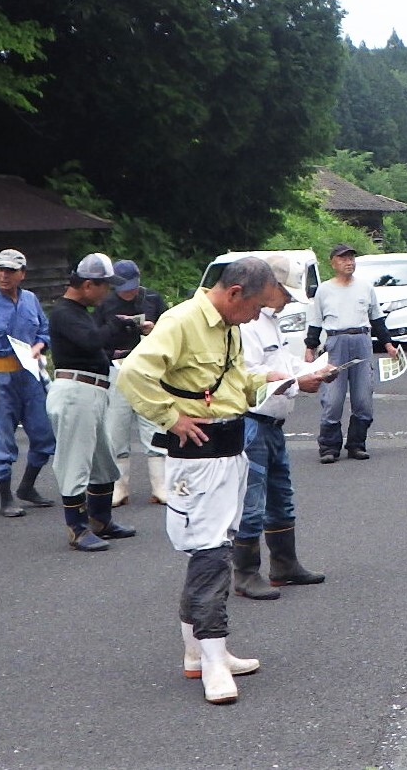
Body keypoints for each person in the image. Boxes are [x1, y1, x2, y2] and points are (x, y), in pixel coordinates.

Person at [116, 257, 285, 705]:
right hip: (199, 456)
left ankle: (201, 653)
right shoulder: (184, 320)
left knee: (212, 548)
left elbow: (229, 383)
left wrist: (272, 378)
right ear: (234, 294)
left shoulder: (226, 326)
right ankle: (211, 659)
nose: (257, 317)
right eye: (256, 307)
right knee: (210, 554)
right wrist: (170, 417)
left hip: (229, 447)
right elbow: (133, 373)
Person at [232, 255, 333, 601]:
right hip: (251, 421)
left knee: (280, 495)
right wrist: (297, 383)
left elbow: (280, 362)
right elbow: (252, 374)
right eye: (285, 292)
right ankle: (245, 573)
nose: (289, 299)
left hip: (272, 423)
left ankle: (284, 564)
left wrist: (310, 370)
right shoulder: (246, 324)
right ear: (268, 287)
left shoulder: (270, 320)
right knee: (252, 500)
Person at [45, 253, 135, 552]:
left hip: (91, 390)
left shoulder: (80, 311)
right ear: (87, 285)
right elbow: (90, 341)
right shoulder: (64, 312)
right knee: (75, 460)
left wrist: (122, 334)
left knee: (102, 459)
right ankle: (77, 527)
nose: (107, 293)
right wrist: (117, 327)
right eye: (104, 286)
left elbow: (95, 348)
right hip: (75, 391)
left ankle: (100, 520)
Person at [0, 249, 56, 518]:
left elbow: (44, 330)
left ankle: (27, 487)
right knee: (2, 438)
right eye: (0, 269)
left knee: (44, 434)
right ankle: (6, 498)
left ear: (22, 274)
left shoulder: (30, 300)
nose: (4, 275)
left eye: (10, 271)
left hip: (30, 375)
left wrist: (40, 345)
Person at [303, 242, 397, 463]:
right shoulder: (324, 290)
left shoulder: (365, 287)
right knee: (333, 398)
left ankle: (357, 444)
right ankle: (328, 447)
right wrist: (310, 347)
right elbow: (316, 321)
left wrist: (388, 344)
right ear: (333, 262)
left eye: (352, 258)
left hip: (362, 341)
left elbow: (376, 318)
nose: (349, 262)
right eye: (344, 259)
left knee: (363, 396)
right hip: (335, 342)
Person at [95, 259, 166, 507]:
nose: (130, 291)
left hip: (148, 369)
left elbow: (170, 333)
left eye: (133, 286)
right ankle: (119, 487)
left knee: (154, 425)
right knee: (116, 427)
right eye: (125, 287)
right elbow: (95, 338)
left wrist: (152, 328)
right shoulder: (104, 303)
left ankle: (161, 486)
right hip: (116, 368)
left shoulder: (152, 299)